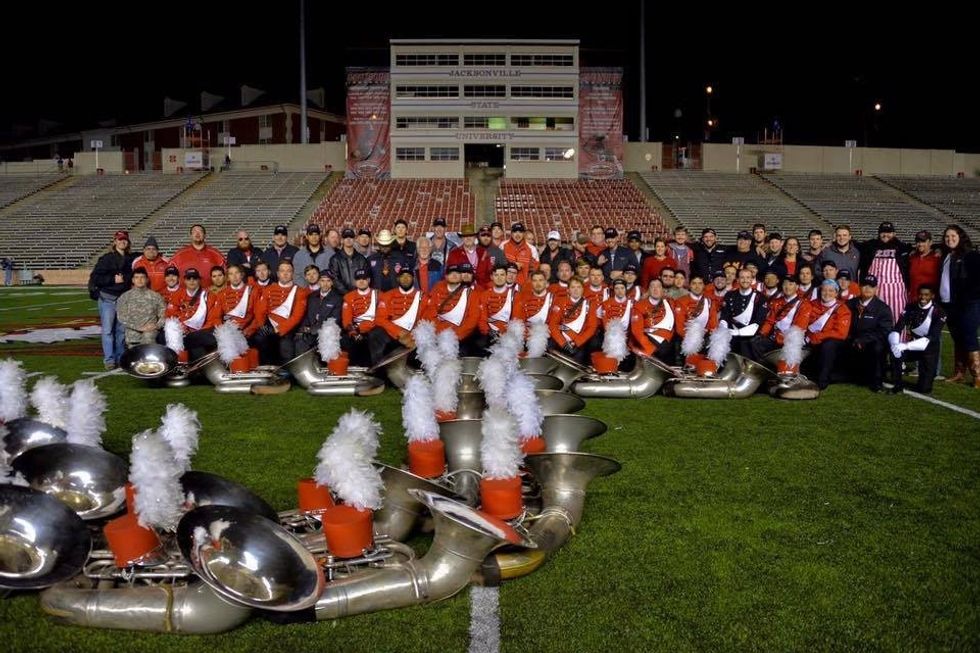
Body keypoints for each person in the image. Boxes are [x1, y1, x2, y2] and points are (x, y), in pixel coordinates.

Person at [939, 224, 980, 386]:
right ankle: (959, 372)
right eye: (947, 237)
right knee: (958, 337)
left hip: (968, 303)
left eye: (953, 236)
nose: (950, 239)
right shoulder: (946, 255)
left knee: (969, 335)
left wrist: (968, 296)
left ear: (960, 237)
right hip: (950, 304)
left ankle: (977, 374)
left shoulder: (971, 255)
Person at [889, 285, 946, 394]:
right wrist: (895, 345)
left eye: (926, 295)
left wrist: (904, 345)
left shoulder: (939, 312)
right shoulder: (910, 307)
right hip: (913, 347)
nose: (922, 297)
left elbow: (931, 338)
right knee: (895, 354)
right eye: (920, 294)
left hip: (929, 350)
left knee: (924, 389)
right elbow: (897, 328)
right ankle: (897, 385)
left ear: (932, 296)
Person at [90, 230, 135, 369]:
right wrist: (112, 279)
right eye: (120, 239)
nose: (122, 241)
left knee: (121, 331)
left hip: (123, 299)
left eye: (125, 239)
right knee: (108, 330)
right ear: (115, 242)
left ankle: (120, 357)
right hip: (108, 298)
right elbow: (95, 278)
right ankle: (109, 359)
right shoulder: (106, 259)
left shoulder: (131, 259)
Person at [750, 275, 811, 373]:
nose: (787, 287)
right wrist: (762, 333)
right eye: (785, 284)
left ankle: (785, 372)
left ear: (797, 287)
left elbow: (800, 327)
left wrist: (781, 337)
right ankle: (766, 372)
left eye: (791, 284)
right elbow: (770, 321)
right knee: (755, 343)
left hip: (792, 340)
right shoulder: (776, 302)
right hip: (776, 338)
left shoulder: (804, 305)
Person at [253, 260, 307, 363]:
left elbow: (296, 317)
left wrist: (279, 329)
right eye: (282, 271)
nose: (285, 274)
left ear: (293, 274)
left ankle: (286, 375)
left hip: (288, 328)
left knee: (285, 348)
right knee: (260, 339)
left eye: (288, 271)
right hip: (269, 326)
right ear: (278, 273)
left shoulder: (300, 291)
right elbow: (260, 311)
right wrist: (262, 326)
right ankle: (267, 370)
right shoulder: (268, 289)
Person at [163, 267, 222, 361]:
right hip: (182, 330)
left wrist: (198, 330)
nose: (192, 281)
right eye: (189, 278)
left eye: (194, 278)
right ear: (184, 280)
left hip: (202, 331)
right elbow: (171, 315)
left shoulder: (209, 296)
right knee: (164, 335)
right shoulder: (177, 295)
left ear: (199, 280)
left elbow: (214, 318)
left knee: (198, 339)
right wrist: (183, 327)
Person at [846, 275, 893, 392]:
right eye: (865, 285)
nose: (867, 289)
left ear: (876, 289)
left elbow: (884, 331)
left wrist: (864, 340)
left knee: (878, 347)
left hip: (870, 342)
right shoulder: (850, 304)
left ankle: (877, 381)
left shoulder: (883, 308)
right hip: (852, 340)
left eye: (871, 286)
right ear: (859, 287)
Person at [803, 279, 853, 390]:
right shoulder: (811, 304)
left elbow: (841, 333)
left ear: (836, 293)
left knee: (828, 345)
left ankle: (822, 380)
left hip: (830, 341)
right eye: (824, 290)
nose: (827, 293)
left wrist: (820, 336)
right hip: (809, 338)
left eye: (831, 291)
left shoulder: (843, 309)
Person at [369, 268, 424, 364]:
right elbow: (380, 319)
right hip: (392, 333)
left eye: (408, 276)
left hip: (413, 336)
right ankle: (378, 367)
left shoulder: (423, 296)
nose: (405, 279)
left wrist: (412, 336)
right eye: (402, 276)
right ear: (398, 279)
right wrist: (398, 332)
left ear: (413, 279)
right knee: (375, 333)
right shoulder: (388, 295)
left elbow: (427, 319)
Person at [861, 221, 910, 324]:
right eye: (883, 232)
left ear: (894, 234)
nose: (885, 235)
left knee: (897, 321)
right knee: (873, 321)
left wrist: (938, 249)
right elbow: (853, 244)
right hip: (874, 291)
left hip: (896, 292)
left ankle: (898, 340)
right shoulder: (870, 246)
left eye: (889, 232)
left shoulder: (902, 247)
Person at [718, 268, 767, 359]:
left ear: (752, 280)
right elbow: (724, 315)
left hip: (749, 336)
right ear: (737, 279)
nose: (745, 280)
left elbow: (758, 322)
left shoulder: (760, 297)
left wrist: (737, 332)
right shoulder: (730, 295)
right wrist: (723, 329)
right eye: (742, 277)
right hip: (730, 333)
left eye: (748, 277)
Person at [548, 277, 598, 365]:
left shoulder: (590, 304)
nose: (576, 290)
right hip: (561, 337)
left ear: (583, 289)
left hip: (579, 340)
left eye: (578, 287)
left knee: (578, 358)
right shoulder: (560, 302)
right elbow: (553, 324)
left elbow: (592, 327)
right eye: (573, 287)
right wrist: (563, 343)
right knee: (549, 347)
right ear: (568, 290)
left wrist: (576, 342)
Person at [294, 269, 343, 358]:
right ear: (319, 282)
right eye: (322, 280)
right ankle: (304, 368)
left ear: (332, 283)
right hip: (311, 332)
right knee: (300, 340)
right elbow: (306, 316)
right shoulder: (311, 297)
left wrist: (313, 329)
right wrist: (303, 328)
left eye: (328, 281)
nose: (325, 284)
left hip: (327, 333)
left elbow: (335, 320)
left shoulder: (337, 298)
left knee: (328, 339)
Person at [116, 267, 166, 348]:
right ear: (133, 280)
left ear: (147, 280)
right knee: (133, 356)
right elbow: (121, 317)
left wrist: (156, 326)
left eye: (142, 277)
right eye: (136, 277)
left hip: (150, 333)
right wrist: (139, 327)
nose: (139, 280)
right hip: (133, 333)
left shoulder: (155, 296)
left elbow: (164, 314)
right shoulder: (125, 297)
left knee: (148, 339)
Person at [630, 279, 676, 362]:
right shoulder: (639, 306)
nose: (655, 289)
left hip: (668, 341)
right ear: (648, 290)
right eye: (652, 286)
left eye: (658, 286)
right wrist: (650, 348)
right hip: (649, 341)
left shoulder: (670, 302)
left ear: (662, 290)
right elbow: (636, 331)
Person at [328, 228, 369, 296]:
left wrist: (357, 293)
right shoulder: (335, 259)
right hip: (341, 296)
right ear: (342, 240)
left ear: (354, 239)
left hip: (359, 295)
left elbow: (365, 278)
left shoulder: (362, 259)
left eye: (351, 237)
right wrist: (347, 294)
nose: (348, 239)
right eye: (346, 237)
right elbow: (335, 279)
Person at [907, 230, 941, 302]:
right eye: (918, 242)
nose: (920, 244)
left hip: (931, 300)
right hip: (913, 299)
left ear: (930, 242)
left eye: (923, 241)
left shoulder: (937, 258)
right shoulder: (911, 257)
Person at [502, 222, 537, 286]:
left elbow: (535, 270)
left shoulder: (531, 249)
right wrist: (512, 264)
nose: (517, 234)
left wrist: (527, 284)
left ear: (523, 234)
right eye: (515, 232)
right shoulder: (503, 246)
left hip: (523, 287)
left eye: (520, 232)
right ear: (511, 234)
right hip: (506, 286)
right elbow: (498, 266)